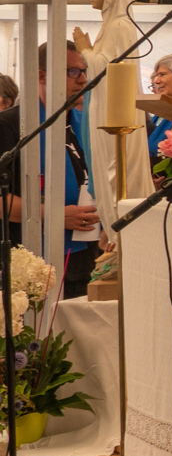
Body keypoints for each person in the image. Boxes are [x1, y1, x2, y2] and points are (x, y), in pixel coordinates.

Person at [0, 43, 101, 297]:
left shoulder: (84, 123)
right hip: (32, 259)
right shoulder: (10, 125)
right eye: (73, 72)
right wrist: (54, 215)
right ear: (42, 75)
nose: (84, 80)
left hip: (85, 254)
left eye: (84, 71)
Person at [72, 0, 154, 231]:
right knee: (102, 163)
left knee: (115, 167)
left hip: (114, 107)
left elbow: (109, 67)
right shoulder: (110, 26)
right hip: (102, 104)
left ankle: (121, 232)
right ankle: (111, 232)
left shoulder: (120, 26)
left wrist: (84, 50)